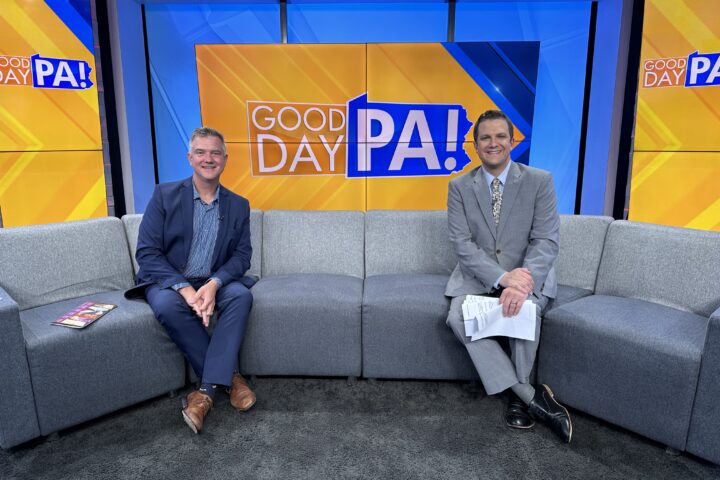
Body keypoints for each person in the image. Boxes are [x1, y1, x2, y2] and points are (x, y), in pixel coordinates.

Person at [445, 110, 572, 443]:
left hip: (529, 272)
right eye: (485, 138)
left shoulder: (539, 180)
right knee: (457, 318)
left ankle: (518, 400)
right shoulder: (458, 186)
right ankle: (531, 395)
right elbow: (462, 245)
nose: (493, 143)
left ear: (512, 141)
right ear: (475, 146)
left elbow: (546, 239)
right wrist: (503, 279)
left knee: (524, 311)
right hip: (478, 275)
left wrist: (522, 281)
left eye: (500, 136)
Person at [132, 127, 256, 434]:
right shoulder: (165, 195)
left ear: (225, 159)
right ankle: (230, 380)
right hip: (170, 282)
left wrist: (213, 285)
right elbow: (147, 252)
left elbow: (242, 257)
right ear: (190, 158)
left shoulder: (238, 205)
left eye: (215, 152)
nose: (208, 158)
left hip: (213, 279)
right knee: (168, 306)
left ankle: (203, 394)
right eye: (201, 152)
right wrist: (186, 290)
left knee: (241, 296)